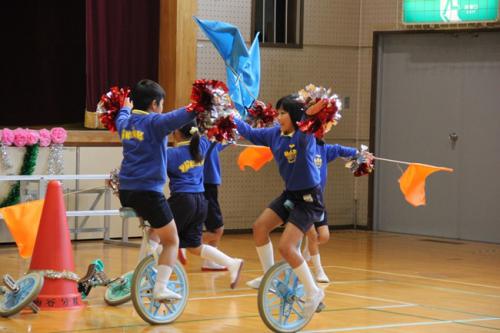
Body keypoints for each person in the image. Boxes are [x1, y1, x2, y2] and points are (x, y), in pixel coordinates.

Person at [234, 94, 326, 318]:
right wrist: (228, 114)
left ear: (295, 115)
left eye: (283, 113)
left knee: (286, 247)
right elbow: (249, 133)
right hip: (290, 195)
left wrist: (312, 111)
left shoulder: (305, 136)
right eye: (278, 112)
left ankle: (314, 292)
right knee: (260, 227)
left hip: (308, 200)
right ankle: (271, 277)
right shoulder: (274, 133)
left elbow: (311, 120)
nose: (279, 116)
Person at [116, 79, 196, 301]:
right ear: (154, 104)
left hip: (126, 192)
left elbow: (122, 114)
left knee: (155, 232)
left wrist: (124, 105)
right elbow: (182, 115)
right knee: (172, 241)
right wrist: (201, 104)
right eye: (162, 104)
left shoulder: (124, 123)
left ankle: (148, 266)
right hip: (148, 193)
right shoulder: (154, 123)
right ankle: (160, 287)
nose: (162, 109)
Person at [167, 121, 244, 288]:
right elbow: (217, 133)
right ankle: (231, 263)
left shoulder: (171, 154)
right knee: (195, 245)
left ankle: (157, 279)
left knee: (160, 236)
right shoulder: (202, 144)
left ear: (177, 134)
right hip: (200, 201)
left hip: (182, 200)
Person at [303, 135, 358, 283]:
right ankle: (318, 270)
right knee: (312, 236)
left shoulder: (324, 150)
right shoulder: (301, 148)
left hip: (318, 202)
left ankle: (305, 254)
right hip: (302, 201)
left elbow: (341, 149)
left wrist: (359, 154)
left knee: (324, 237)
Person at [201, 140, 230, 271]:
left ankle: (210, 261)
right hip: (206, 186)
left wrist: (232, 134)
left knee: (215, 229)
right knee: (218, 229)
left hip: (209, 186)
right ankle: (180, 244)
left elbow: (222, 143)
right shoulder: (203, 141)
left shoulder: (211, 141)